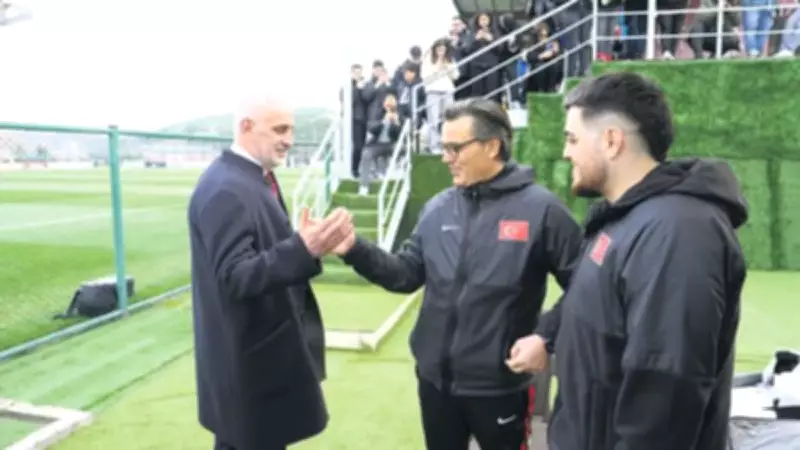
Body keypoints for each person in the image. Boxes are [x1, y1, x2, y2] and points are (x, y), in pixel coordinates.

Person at [332, 98, 583, 450]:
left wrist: (544, 337)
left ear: (492, 147)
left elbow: (586, 285)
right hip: (435, 383)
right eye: (443, 147)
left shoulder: (543, 211)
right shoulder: (438, 208)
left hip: (499, 386)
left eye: (454, 148)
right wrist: (354, 249)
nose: (445, 157)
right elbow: (406, 274)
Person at [542, 72, 748, 450]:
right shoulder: (625, 219)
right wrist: (546, 335)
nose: (566, 152)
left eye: (572, 139)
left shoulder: (677, 230)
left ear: (611, 141)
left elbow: (665, 392)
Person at [187, 91, 353, 450]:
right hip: (248, 366)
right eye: (279, 129)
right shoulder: (227, 188)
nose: (289, 139)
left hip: (256, 362)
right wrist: (302, 248)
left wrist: (299, 243)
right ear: (246, 127)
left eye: (291, 129)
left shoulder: (249, 178)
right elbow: (234, 277)